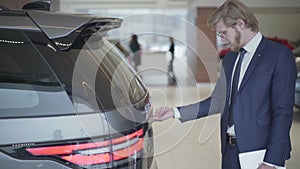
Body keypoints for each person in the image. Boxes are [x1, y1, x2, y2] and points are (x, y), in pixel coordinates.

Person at [149, 0, 297, 169]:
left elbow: (283, 112)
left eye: (223, 33)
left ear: (240, 24)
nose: (223, 39)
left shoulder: (279, 56)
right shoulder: (230, 58)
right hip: (229, 150)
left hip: (260, 153)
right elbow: (218, 101)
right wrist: (174, 112)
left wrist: (272, 161)